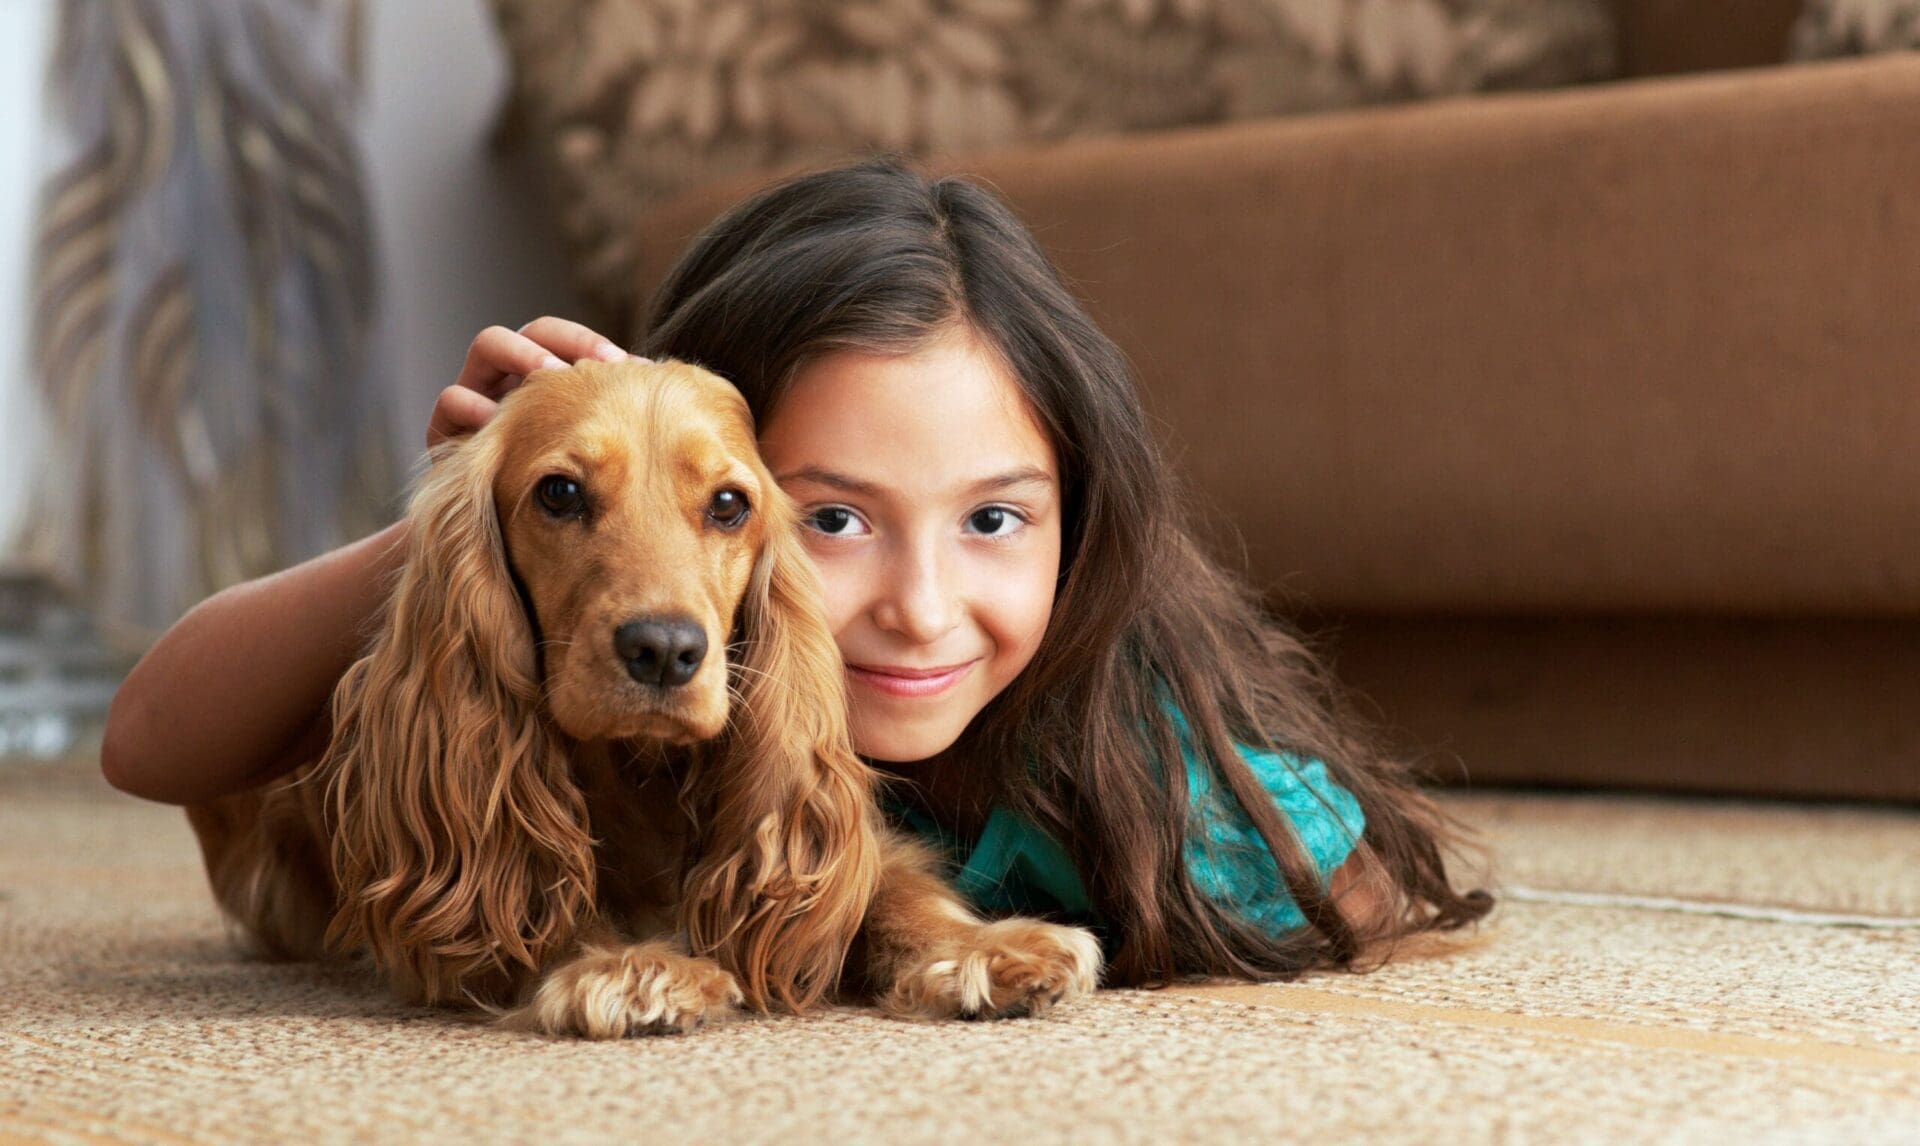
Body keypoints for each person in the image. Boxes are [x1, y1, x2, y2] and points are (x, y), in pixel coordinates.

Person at [103, 155, 1493, 986]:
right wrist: (482, 500)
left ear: (1082, 516)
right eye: (829, 519)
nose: (921, 604)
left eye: (995, 519)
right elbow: (150, 741)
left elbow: (1354, 889)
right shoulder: (571, 625)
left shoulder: (1118, 739)